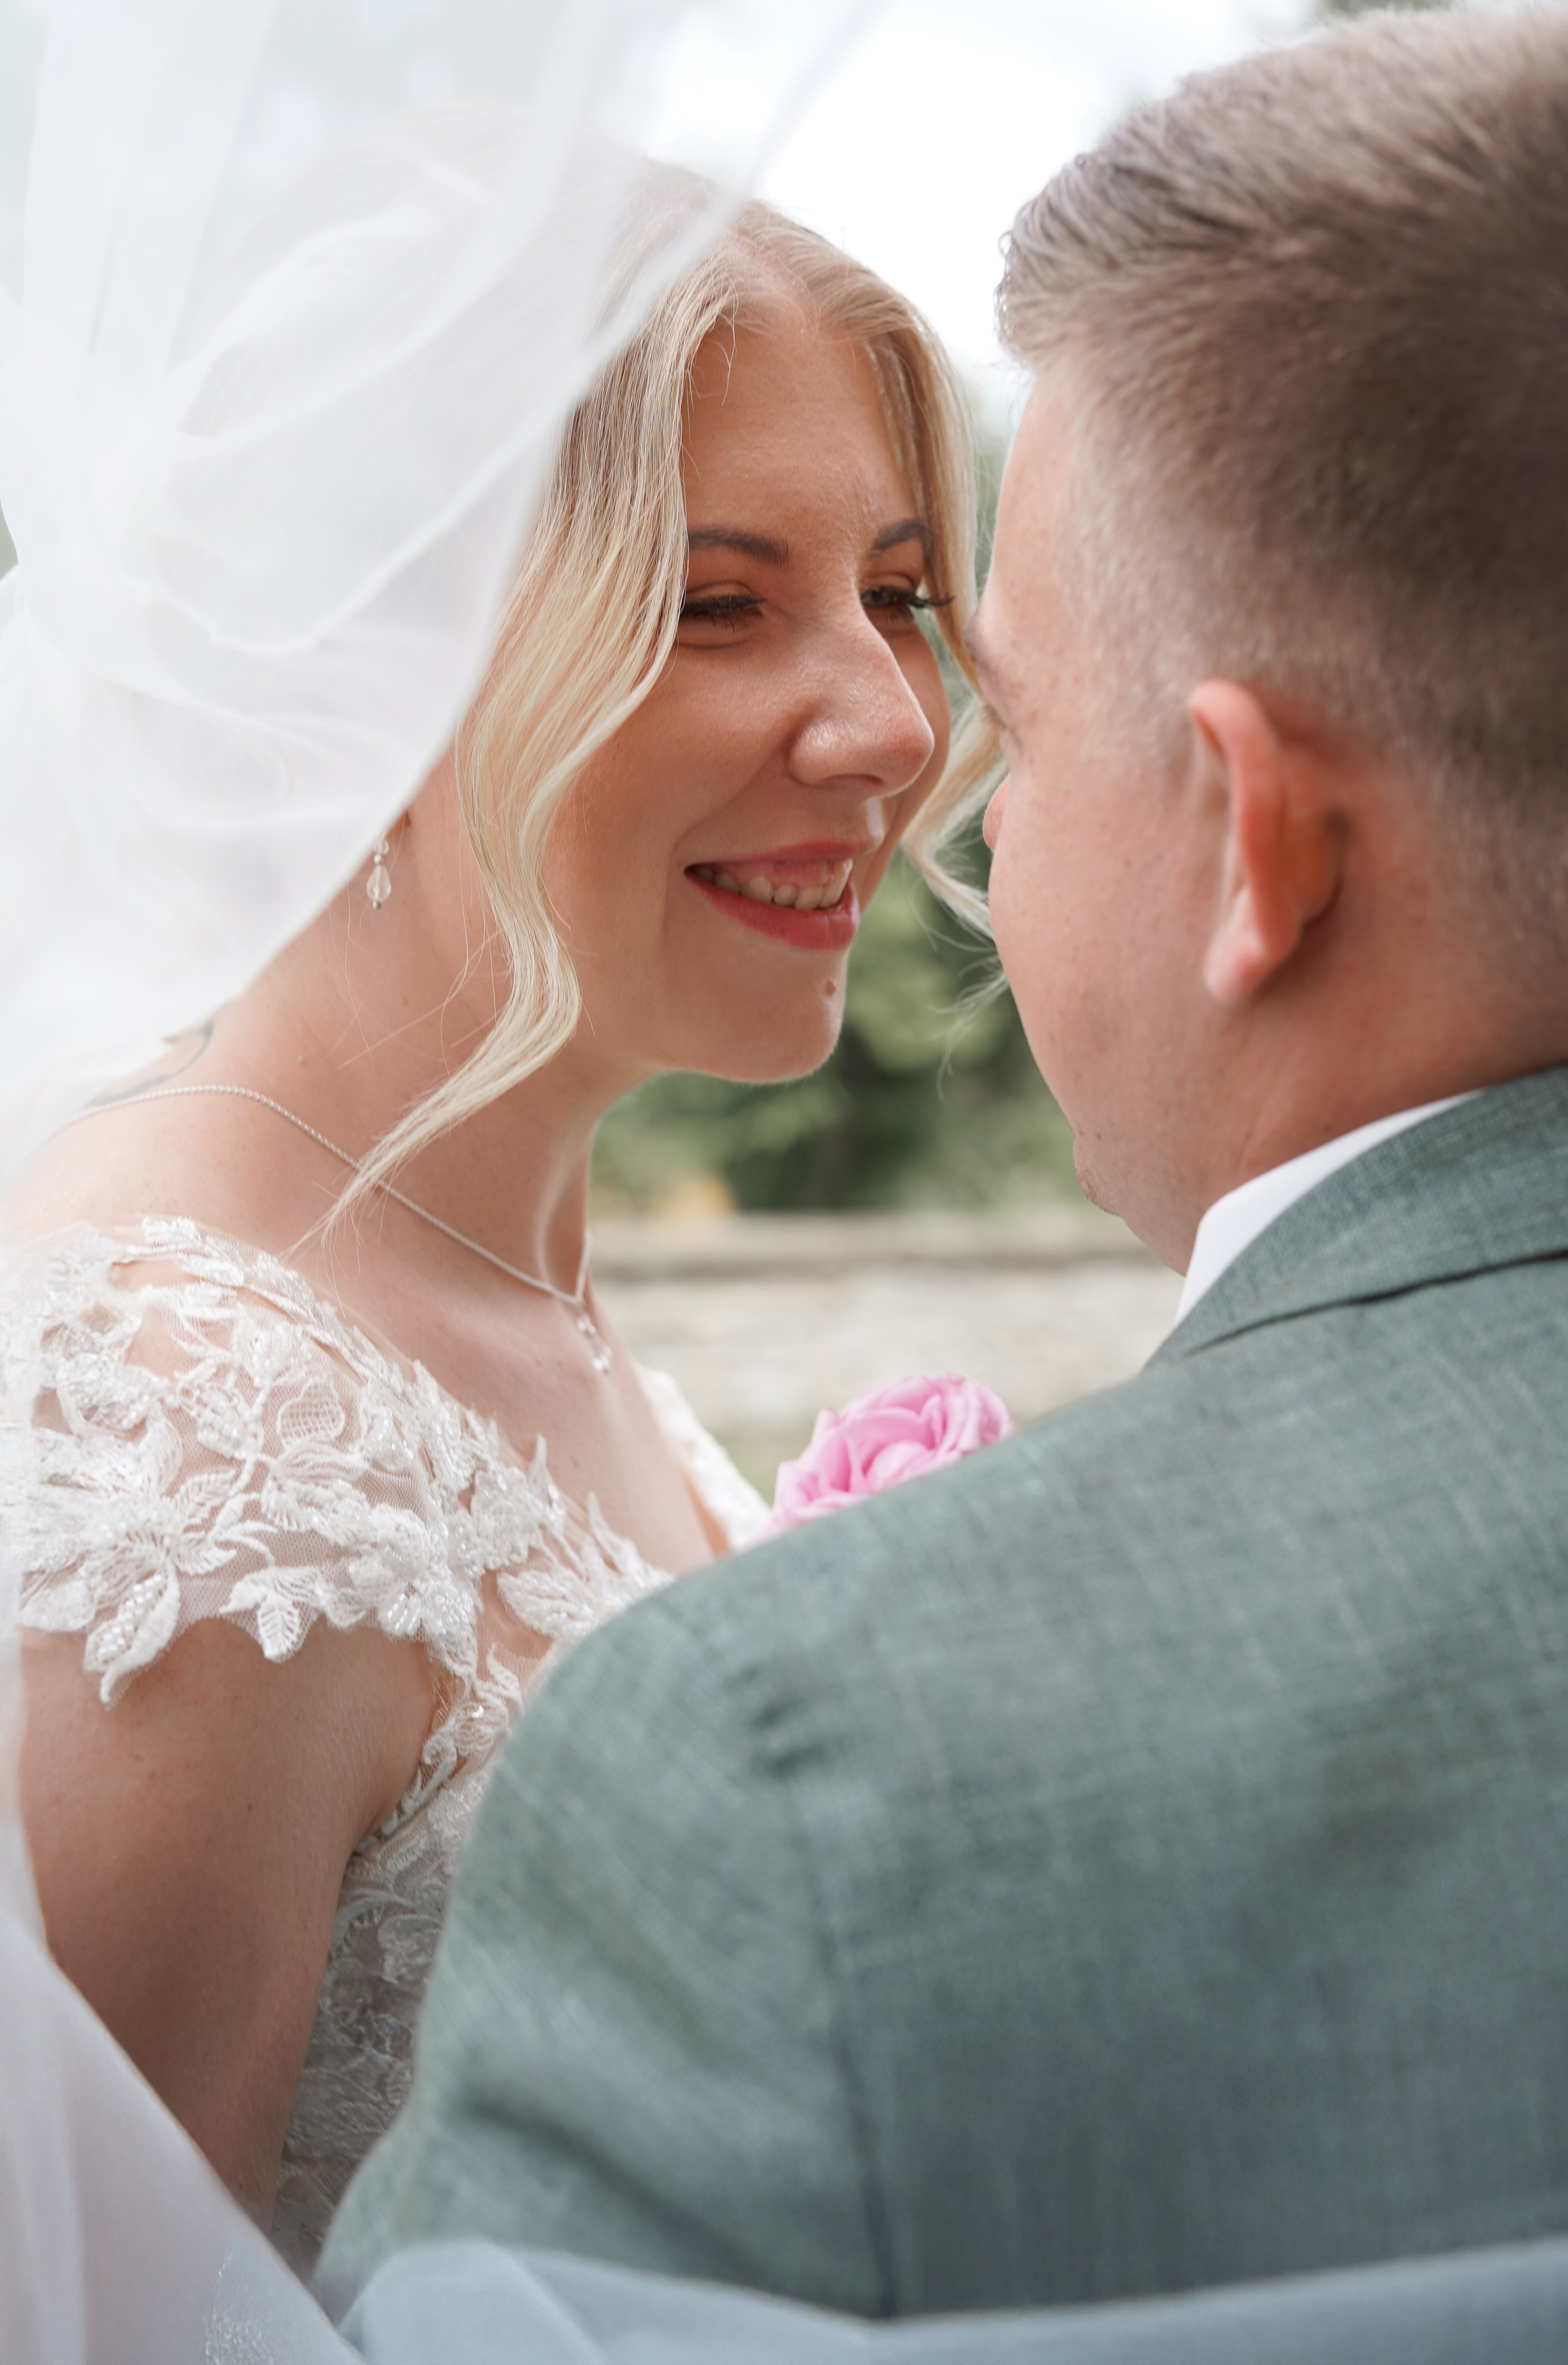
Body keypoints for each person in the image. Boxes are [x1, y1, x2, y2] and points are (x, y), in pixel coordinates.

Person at [321, 4, 1568, 2322]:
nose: (920, 757)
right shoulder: (157, 1414)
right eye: (719, 598)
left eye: (978, 659)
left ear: (1259, 843)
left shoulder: (792, 1786)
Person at [1, 174, 995, 2265]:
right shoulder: (199, 1444)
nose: (895, 722)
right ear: (354, 686)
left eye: (897, 592)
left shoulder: (510, 1286)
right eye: (717, 604)